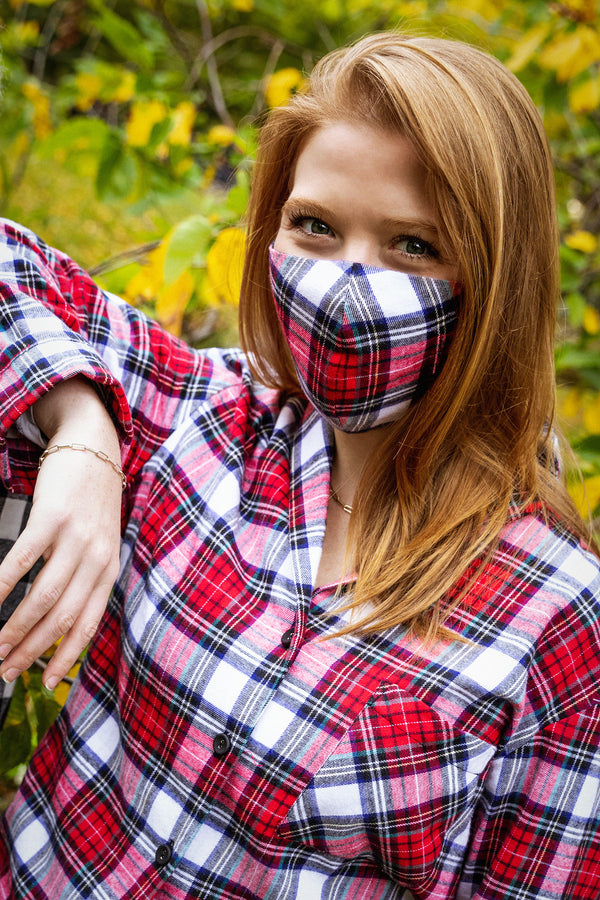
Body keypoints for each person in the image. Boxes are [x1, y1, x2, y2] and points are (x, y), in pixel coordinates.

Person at [0, 29, 599, 900]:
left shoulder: (556, 621)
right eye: (314, 226)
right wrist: (84, 428)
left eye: (414, 246)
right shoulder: (200, 417)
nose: (349, 287)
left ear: (497, 279)